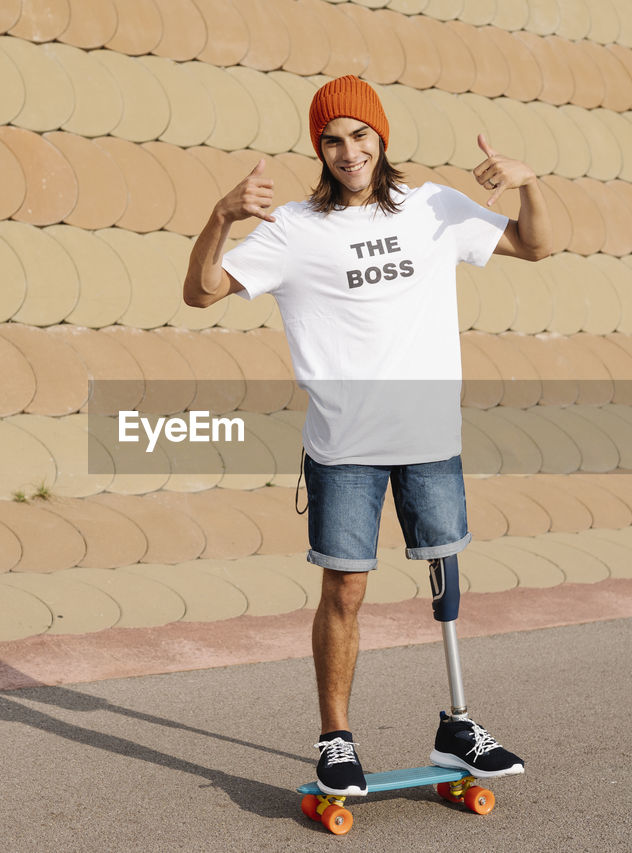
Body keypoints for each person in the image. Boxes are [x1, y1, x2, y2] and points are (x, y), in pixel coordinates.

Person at [182, 76, 552, 797]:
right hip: (345, 446)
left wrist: (529, 183)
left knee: (444, 568)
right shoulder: (293, 228)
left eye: (359, 135)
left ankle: (458, 725)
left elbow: (535, 246)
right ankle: (336, 740)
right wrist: (221, 217)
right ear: (317, 149)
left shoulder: (434, 208)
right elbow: (200, 291)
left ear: (381, 138)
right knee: (346, 588)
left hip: (430, 435)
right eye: (332, 139)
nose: (348, 151)